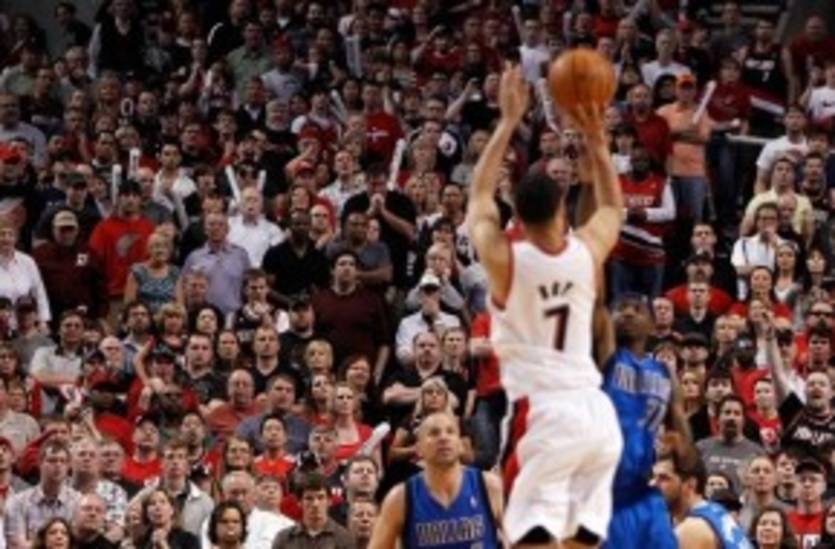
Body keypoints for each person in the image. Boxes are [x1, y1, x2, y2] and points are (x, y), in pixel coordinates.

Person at [466, 65, 623, 547]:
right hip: (597, 414)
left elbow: (479, 198)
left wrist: (507, 122)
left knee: (526, 539)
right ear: (561, 210)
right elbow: (611, 208)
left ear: (517, 213)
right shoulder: (586, 252)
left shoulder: (506, 261)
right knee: (579, 540)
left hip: (543, 414)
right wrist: (596, 140)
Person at [602, 294, 690, 549]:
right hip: (601, 489)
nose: (628, 313)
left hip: (642, 491)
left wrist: (679, 449)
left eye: (637, 309)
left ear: (652, 324)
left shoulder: (664, 373)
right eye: (620, 308)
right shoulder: (602, 357)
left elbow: (684, 448)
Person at [369, 412, 502, 548]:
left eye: (450, 432)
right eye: (434, 433)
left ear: (460, 445)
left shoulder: (489, 485)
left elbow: (514, 538)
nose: (443, 438)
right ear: (419, 448)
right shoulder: (400, 498)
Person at [652, 453, 752, 548]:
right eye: (653, 477)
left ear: (690, 484)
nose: (652, 484)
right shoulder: (716, 512)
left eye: (664, 478)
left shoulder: (693, 529)